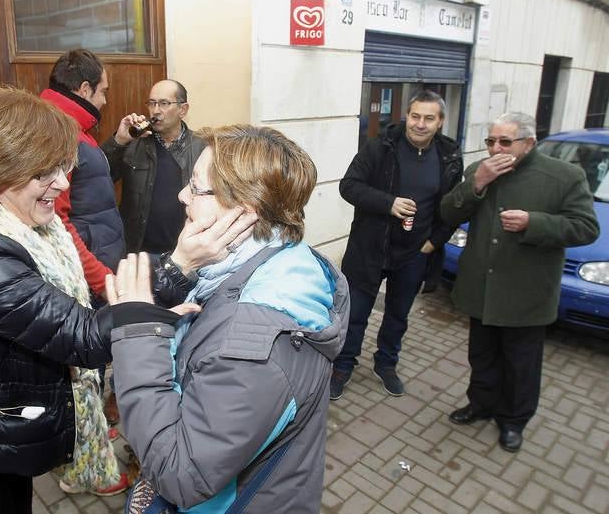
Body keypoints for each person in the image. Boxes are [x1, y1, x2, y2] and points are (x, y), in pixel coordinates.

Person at [0, 87, 190, 514]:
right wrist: (182, 264)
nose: (62, 183)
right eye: (45, 171)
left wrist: (162, 278)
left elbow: (81, 310)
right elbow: (82, 337)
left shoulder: (5, 220)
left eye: (63, 166)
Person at [108, 125, 350, 513]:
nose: (182, 195)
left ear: (244, 212)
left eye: (197, 188)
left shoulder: (252, 348)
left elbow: (179, 474)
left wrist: (139, 340)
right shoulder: (274, 263)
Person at [441, 112, 598, 452]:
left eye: (505, 142)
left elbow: (586, 228)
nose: (495, 148)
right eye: (490, 141)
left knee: (520, 364)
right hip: (482, 289)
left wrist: (535, 223)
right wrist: (477, 184)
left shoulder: (564, 176)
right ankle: (480, 404)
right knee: (481, 356)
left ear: (529, 142)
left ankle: (513, 421)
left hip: (526, 294)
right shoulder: (479, 171)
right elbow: (448, 213)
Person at [330, 90, 463, 399]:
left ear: (440, 122)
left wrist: (434, 242)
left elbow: (454, 207)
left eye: (429, 118)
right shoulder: (381, 147)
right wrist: (388, 203)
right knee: (355, 314)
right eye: (415, 116)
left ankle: (386, 364)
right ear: (407, 116)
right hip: (369, 249)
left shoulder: (449, 157)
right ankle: (343, 367)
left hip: (415, 253)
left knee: (398, 315)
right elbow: (348, 186)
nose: (420, 124)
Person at [42, 49, 123, 299]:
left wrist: (119, 141)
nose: (105, 101)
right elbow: (56, 223)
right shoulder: (58, 133)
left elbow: (87, 181)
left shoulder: (72, 126)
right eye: (103, 91)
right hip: (90, 278)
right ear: (85, 89)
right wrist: (102, 280)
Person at [102, 79, 205, 254]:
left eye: (164, 104)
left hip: (185, 253)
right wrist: (119, 141)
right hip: (138, 251)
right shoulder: (134, 144)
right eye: (152, 103)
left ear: (183, 109)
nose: (156, 111)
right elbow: (99, 177)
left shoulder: (201, 148)